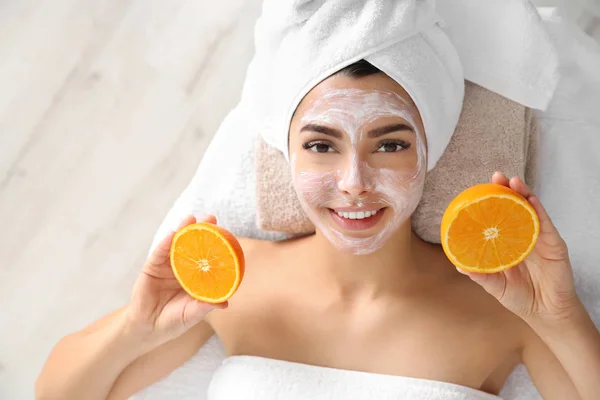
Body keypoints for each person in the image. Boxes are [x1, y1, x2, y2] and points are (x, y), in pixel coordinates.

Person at [36, 60, 600, 400]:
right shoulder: (236, 282)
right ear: (289, 156)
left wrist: (561, 316)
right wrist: (136, 328)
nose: (354, 181)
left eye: (391, 143)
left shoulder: (504, 308)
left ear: (431, 155)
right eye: (321, 145)